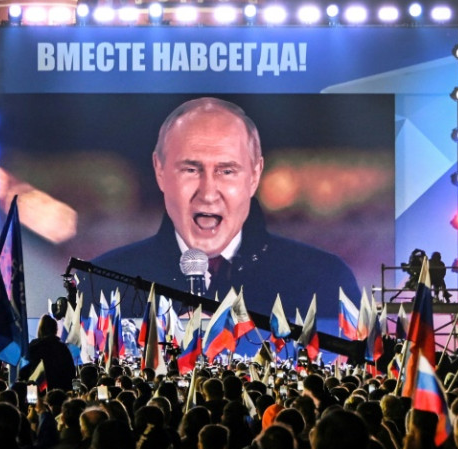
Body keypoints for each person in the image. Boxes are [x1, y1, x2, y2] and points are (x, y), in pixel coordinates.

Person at [84, 97, 360, 348]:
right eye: (191, 169)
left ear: (254, 175)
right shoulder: (102, 283)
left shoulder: (324, 280)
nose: (207, 193)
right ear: (160, 171)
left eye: (226, 171)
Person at [19, 315, 76, 392]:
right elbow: (71, 373)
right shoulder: (62, 348)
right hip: (60, 393)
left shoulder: (33, 348)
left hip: (36, 393)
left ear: (40, 329)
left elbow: (23, 372)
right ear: (55, 330)